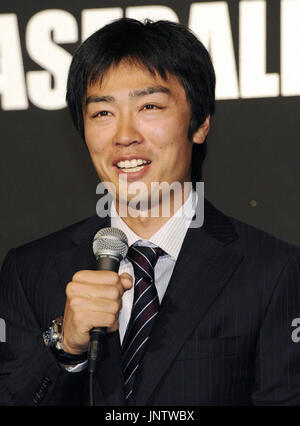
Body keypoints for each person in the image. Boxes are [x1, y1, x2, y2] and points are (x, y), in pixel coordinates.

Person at [0, 17, 300, 406]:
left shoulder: (273, 271)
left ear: (200, 122)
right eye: (102, 113)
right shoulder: (29, 272)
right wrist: (66, 345)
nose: (125, 135)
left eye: (150, 106)